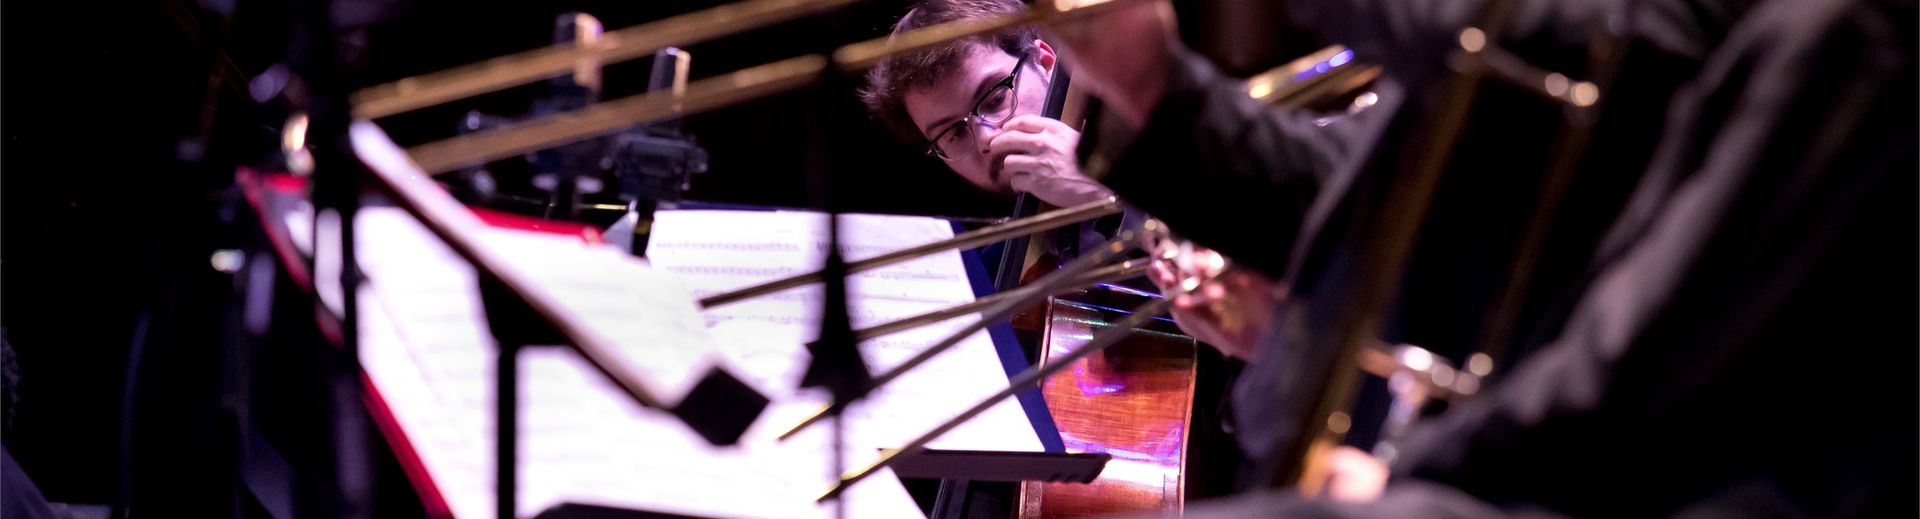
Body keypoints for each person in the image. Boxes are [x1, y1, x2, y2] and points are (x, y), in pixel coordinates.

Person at [1052, 0, 1916, 515]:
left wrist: (1401, 478)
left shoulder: (1836, 32)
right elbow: (1353, 191)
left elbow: (1628, 383)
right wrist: (1149, 77)